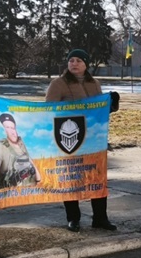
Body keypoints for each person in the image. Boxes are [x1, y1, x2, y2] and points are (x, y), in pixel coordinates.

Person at [44, 49, 117, 231]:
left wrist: (111, 104)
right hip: (69, 138)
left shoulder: (94, 83)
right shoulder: (58, 84)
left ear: (86, 64)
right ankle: (73, 218)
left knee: (96, 177)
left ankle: (100, 218)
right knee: (71, 179)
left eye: (78, 60)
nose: (73, 64)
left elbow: (98, 112)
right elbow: (48, 111)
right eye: (71, 60)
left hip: (92, 139)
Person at [0, 113, 42, 190]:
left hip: (30, 193)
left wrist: (38, 179)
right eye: (8, 127)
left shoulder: (21, 144)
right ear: (3, 130)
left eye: (13, 128)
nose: (12, 131)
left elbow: (29, 159)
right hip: (12, 197)